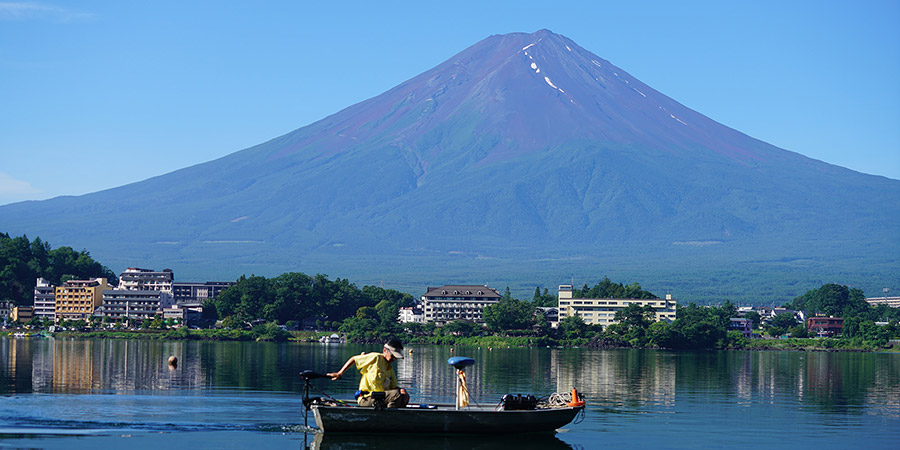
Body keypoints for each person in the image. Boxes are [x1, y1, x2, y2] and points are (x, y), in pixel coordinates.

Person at [326, 338, 410, 408]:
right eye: (392, 356)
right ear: (385, 351)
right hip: (367, 398)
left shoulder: (390, 369)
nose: (393, 359)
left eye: (396, 358)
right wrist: (339, 373)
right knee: (396, 394)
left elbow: (394, 388)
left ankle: (391, 414)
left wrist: (403, 391)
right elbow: (354, 359)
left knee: (403, 396)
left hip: (381, 398)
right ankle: (388, 416)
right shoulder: (375, 358)